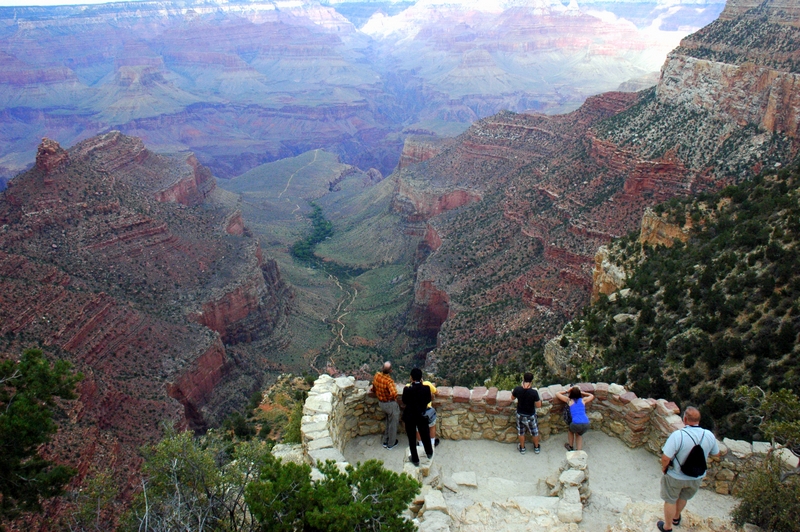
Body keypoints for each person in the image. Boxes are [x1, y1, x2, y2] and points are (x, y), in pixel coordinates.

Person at [657, 406, 720, 532]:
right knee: (683, 497)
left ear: (684, 419)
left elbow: (665, 458)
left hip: (676, 475)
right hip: (696, 476)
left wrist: (664, 468)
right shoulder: (709, 435)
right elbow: (716, 454)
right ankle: (676, 517)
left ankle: (667, 527)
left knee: (670, 499)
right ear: (699, 420)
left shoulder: (678, 436)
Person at [401, 368, 433, 466]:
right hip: (422, 415)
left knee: (411, 437)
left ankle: (415, 459)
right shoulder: (426, 389)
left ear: (411, 378)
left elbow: (404, 401)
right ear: (421, 378)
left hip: (410, 416)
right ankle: (429, 452)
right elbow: (428, 400)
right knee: (425, 434)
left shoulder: (407, 390)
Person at [555, 386, 595, 451]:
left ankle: (570, 446)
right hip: (586, 423)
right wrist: (583, 392)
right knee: (579, 435)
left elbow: (557, 394)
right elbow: (592, 395)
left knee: (570, 431)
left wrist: (567, 391)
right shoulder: (583, 400)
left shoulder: (569, 400)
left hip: (576, 423)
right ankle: (579, 451)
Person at [511, 372, 542, 454]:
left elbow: (512, 398)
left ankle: (522, 448)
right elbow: (538, 405)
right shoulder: (534, 392)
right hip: (530, 415)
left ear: (523, 379)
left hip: (520, 414)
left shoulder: (517, 389)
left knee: (521, 432)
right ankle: (536, 447)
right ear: (531, 381)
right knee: (534, 431)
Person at [372, 361, 399, 449]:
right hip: (389, 404)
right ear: (390, 370)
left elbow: (373, 388)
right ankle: (391, 444)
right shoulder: (389, 381)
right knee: (393, 424)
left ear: (382, 368)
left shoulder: (377, 376)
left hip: (381, 403)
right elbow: (394, 393)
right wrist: (392, 399)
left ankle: (385, 440)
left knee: (388, 421)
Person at [416, 378, 439, 448]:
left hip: (416, 411)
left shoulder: (409, 386)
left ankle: (421, 444)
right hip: (427, 410)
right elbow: (437, 392)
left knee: (418, 428)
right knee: (432, 426)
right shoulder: (427, 384)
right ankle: (432, 443)